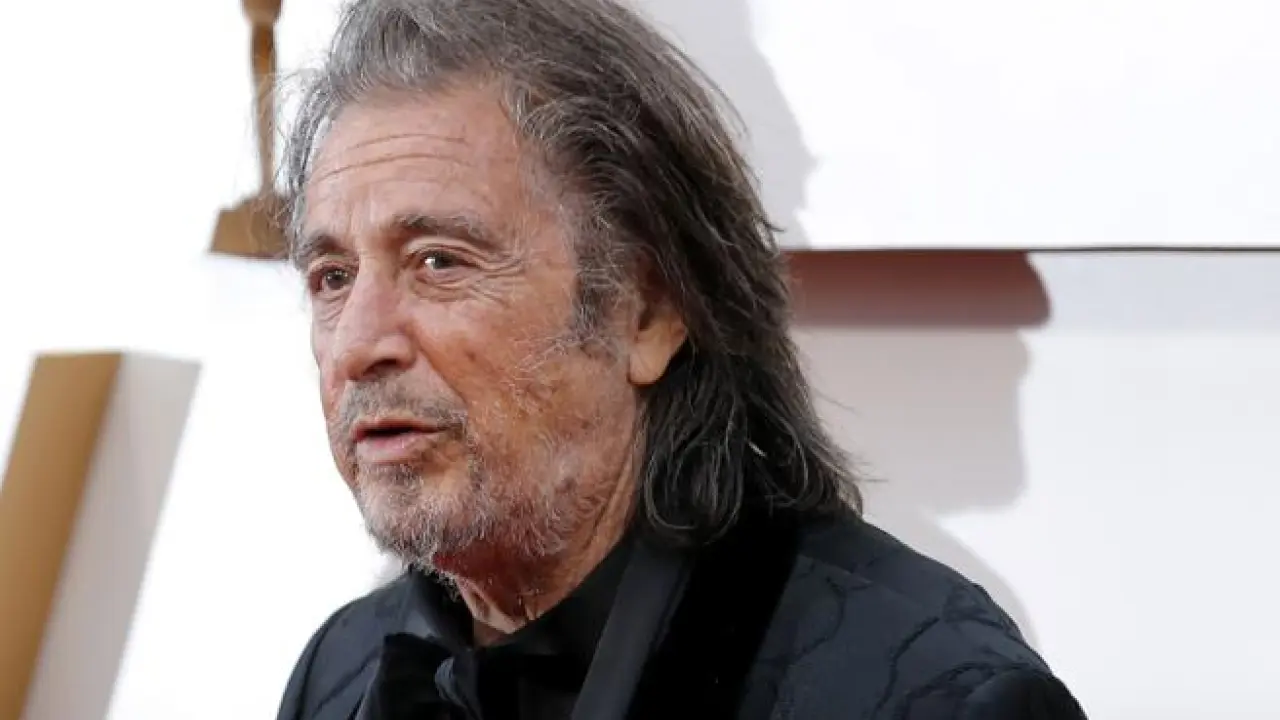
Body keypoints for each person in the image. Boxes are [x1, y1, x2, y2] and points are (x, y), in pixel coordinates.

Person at [274, 0, 1087, 718]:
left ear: (649, 313)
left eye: (439, 262)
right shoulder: (341, 671)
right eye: (332, 277)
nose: (358, 344)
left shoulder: (934, 695)